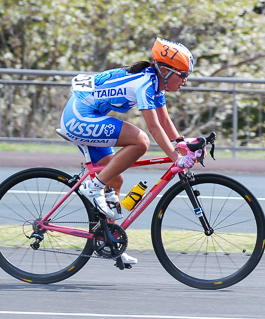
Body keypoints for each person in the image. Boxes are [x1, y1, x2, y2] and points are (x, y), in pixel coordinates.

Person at [59, 38, 196, 266]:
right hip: (78, 115)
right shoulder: (144, 83)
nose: (185, 80)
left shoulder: (155, 82)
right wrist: (177, 158)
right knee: (140, 141)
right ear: (165, 70)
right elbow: (153, 128)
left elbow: (164, 119)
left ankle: (109, 241)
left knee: (116, 179)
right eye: (182, 74)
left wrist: (182, 144)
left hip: (88, 114)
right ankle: (92, 186)